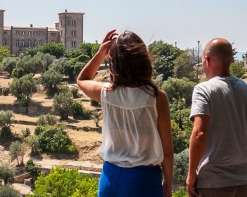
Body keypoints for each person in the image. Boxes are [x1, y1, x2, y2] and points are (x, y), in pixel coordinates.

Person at [77, 29, 173, 197]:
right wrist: (168, 183)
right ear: (143, 61)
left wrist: (101, 53)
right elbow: (167, 150)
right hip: (143, 181)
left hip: (110, 177)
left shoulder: (106, 92)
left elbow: (82, 79)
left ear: (114, 62)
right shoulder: (157, 97)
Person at [186, 38, 247, 197]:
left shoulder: (203, 90)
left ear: (206, 60)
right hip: (243, 180)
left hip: (214, 181)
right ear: (232, 60)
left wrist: (191, 175)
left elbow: (199, 134)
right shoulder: (244, 88)